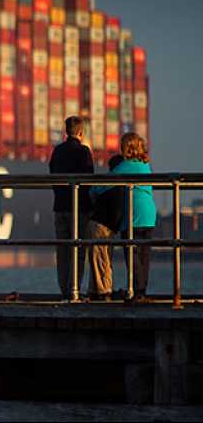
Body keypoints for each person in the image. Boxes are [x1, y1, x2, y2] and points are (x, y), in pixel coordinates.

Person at [89, 133, 156, 302]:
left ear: (127, 148)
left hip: (134, 216)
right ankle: (142, 291)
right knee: (144, 256)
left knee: (132, 254)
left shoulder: (126, 166)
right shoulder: (145, 166)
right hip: (149, 215)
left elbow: (102, 186)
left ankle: (137, 292)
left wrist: (92, 192)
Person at [48, 116, 94, 299]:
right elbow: (89, 178)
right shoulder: (84, 152)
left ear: (66, 132)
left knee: (62, 250)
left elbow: (52, 173)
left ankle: (64, 291)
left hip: (59, 206)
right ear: (81, 132)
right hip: (79, 208)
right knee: (78, 249)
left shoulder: (57, 151)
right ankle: (74, 289)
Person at [86, 154, 125, 300]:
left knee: (98, 260)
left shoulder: (103, 184)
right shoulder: (117, 185)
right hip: (102, 226)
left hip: (98, 224)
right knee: (103, 260)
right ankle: (104, 292)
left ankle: (94, 291)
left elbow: (92, 194)